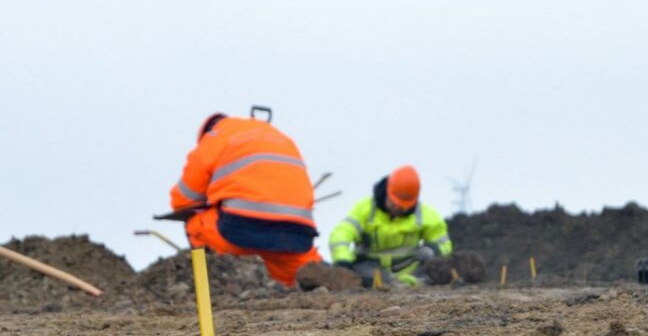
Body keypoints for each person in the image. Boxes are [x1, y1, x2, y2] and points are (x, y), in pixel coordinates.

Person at [169, 113, 321, 287]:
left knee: (196, 225)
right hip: (297, 235)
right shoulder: (280, 137)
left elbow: (182, 200)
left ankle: (216, 286)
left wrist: (214, 198)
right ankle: (292, 284)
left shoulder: (214, 137)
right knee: (304, 272)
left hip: (240, 231)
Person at [328, 165, 452, 286]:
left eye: (403, 206)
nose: (398, 208)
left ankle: (406, 283)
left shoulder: (426, 215)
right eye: (395, 203)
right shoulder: (365, 210)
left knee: (442, 271)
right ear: (387, 192)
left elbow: (444, 243)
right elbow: (341, 234)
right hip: (370, 271)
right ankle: (395, 284)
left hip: (412, 271)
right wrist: (342, 261)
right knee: (360, 275)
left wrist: (433, 249)